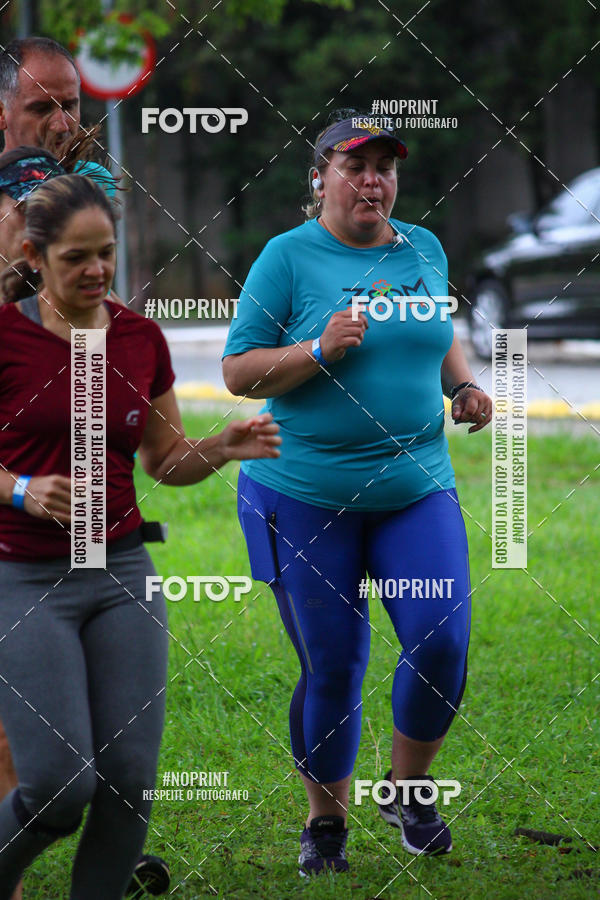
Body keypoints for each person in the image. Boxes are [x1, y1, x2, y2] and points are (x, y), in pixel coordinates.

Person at [222, 112, 492, 876]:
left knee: (441, 641)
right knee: (334, 666)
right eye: (355, 164)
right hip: (304, 495)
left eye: (385, 165)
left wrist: (464, 384)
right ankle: (325, 824)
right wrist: (316, 349)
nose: (373, 179)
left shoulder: (422, 247)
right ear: (320, 178)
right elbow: (239, 372)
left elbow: (439, 330)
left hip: (415, 487)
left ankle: (407, 789)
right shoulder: (286, 258)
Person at [0, 172, 281, 899]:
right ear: (34, 257)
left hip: (121, 570)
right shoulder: (6, 337)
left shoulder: (138, 338)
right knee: (60, 788)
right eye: (75, 258)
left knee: (128, 784)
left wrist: (223, 445)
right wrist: (21, 489)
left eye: (107, 253)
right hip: (24, 579)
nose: (96, 271)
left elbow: (164, 458)